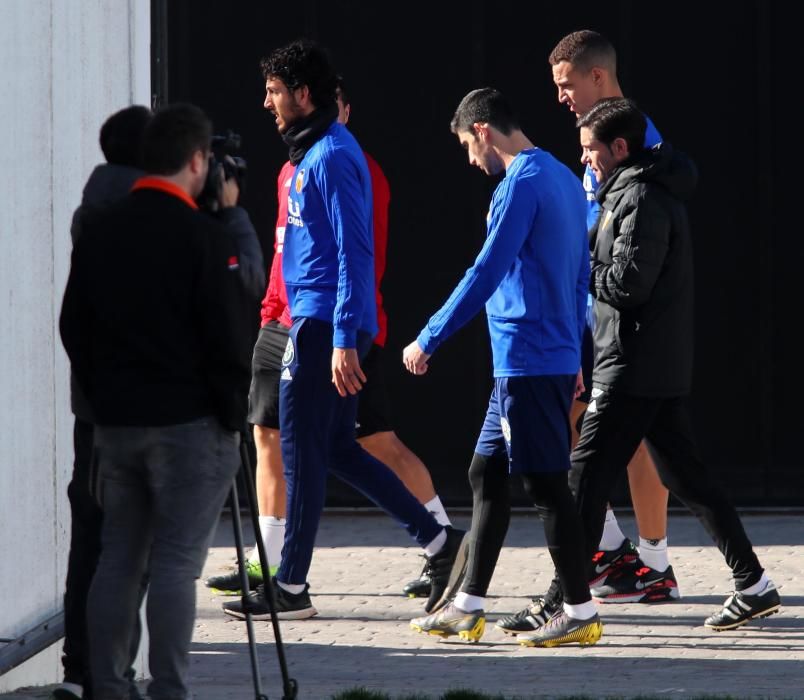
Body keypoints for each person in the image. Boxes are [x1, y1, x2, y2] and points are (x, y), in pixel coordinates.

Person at [221, 39, 465, 622]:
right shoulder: (308, 156)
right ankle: (440, 542)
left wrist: (342, 338)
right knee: (332, 450)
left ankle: (293, 587)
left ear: (304, 95)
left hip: (320, 326)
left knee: (305, 455)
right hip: (307, 320)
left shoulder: (332, 155)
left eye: (275, 92)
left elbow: (358, 252)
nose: (266, 102)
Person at [59, 102, 257, 700]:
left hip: (117, 424)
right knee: (174, 564)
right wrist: (232, 414)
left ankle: (106, 685)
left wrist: (103, 397)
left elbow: (74, 325)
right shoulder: (204, 235)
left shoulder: (101, 228)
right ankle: (168, 689)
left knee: (117, 556)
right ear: (197, 162)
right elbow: (228, 332)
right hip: (189, 423)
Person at [569, 96, 779, 631]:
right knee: (687, 478)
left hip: (632, 366)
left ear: (620, 148)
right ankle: (753, 583)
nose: (586, 162)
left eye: (592, 151)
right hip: (647, 363)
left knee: (585, 479)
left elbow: (628, 284)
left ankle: (566, 605)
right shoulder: (633, 190)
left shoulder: (641, 196)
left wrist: (581, 263)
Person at [404, 88, 602, 648]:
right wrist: (575, 351)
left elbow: (487, 270)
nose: (470, 159)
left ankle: (580, 609)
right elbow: (579, 271)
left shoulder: (521, 183)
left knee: (544, 483)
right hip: (539, 357)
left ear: (483, 131)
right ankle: (467, 605)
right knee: (485, 473)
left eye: (468, 145)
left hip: (528, 360)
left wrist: (429, 337)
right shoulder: (563, 176)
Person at [496, 30, 675, 636]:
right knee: (585, 426)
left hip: (626, 314)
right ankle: (617, 552)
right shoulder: (593, 135)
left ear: (598, 77)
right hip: (593, 309)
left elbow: (643, 219)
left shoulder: (637, 134)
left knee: (639, 436)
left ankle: (651, 561)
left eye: (567, 84)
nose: (561, 96)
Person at [55, 104, 151, 700]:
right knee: (135, 545)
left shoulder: (88, 212)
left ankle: (77, 669)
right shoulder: (149, 215)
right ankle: (116, 674)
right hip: (143, 408)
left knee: (87, 537)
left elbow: (73, 323)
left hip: (91, 408)